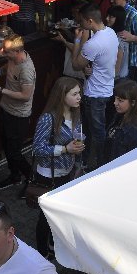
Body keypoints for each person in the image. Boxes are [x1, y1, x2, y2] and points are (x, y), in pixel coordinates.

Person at [31, 77, 85, 257]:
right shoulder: (48, 118)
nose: (79, 97)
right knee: (46, 217)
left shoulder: (76, 114)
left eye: (79, 93)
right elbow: (37, 148)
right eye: (75, 94)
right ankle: (42, 253)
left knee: (59, 214)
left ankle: (54, 246)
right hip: (49, 175)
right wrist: (65, 149)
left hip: (67, 172)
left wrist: (77, 149)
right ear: (62, 95)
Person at [71, 4, 118, 170]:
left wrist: (77, 40)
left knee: (95, 132)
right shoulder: (111, 32)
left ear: (90, 21)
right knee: (95, 130)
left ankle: (100, 166)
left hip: (94, 94)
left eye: (81, 21)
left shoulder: (93, 43)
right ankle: (88, 161)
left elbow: (75, 64)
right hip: (106, 88)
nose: (80, 24)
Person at [0, 34, 36, 190]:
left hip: (19, 116)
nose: (3, 52)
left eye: (7, 51)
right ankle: (15, 176)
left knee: (15, 152)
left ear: (17, 51)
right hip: (6, 109)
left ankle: (32, 178)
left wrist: (0, 90)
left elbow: (25, 96)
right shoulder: (12, 58)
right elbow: (6, 68)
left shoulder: (26, 70)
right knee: (6, 146)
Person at [105, 80, 137, 163]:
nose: (115, 103)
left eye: (120, 100)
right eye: (115, 99)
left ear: (133, 103)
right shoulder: (120, 116)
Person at [108, 0, 137, 81]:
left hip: (128, 62)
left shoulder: (134, 14)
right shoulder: (112, 11)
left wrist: (132, 37)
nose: (111, 1)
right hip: (112, 59)